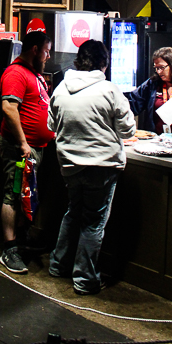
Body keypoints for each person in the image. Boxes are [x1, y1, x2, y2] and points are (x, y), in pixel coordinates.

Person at [48, 39, 135, 295]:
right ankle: (85, 279)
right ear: (103, 64)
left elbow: (52, 125)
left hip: (69, 165)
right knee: (93, 222)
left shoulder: (61, 88)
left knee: (73, 213)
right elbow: (128, 129)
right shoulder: (109, 90)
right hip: (101, 166)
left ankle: (58, 264)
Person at [0, 30, 55, 274]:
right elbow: (8, 108)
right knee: (13, 192)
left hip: (35, 149)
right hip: (19, 149)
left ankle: (21, 239)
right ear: (35, 49)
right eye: (46, 50)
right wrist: (23, 144)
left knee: (26, 196)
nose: (48, 55)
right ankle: (9, 248)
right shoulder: (16, 73)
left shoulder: (34, 74)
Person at [125, 46, 172, 134]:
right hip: (155, 139)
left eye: (161, 67)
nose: (158, 71)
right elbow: (133, 103)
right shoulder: (152, 84)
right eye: (156, 68)